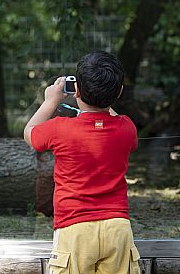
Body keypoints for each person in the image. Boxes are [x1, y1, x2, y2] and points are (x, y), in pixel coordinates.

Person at [24, 51, 141, 274]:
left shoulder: (59, 129)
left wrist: (51, 100)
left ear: (75, 90)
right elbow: (112, 117)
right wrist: (104, 101)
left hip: (74, 228)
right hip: (117, 227)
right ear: (120, 92)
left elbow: (29, 133)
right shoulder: (127, 128)